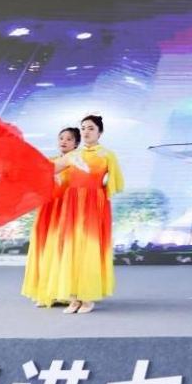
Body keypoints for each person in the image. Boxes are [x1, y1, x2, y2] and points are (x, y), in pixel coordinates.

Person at [54, 114, 124, 314]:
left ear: (100, 132)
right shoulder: (73, 155)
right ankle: (73, 297)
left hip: (94, 204)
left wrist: (99, 188)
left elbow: (116, 183)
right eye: (83, 128)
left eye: (91, 128)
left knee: (89, 248)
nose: (86, 131)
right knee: (71, 247)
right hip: (73, 204)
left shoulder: (107, 155)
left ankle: (88, 297)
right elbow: (50, 169)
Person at [21, 127, 81, 307]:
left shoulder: (78, 163)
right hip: (49, 210)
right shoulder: (50, 162)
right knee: (46, 248)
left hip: (69, 210)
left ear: (76, 143)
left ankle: (68, 292)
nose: (64, 141)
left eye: (69, 139)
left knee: (65, 249)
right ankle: (48, 292)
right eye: (61, 138)